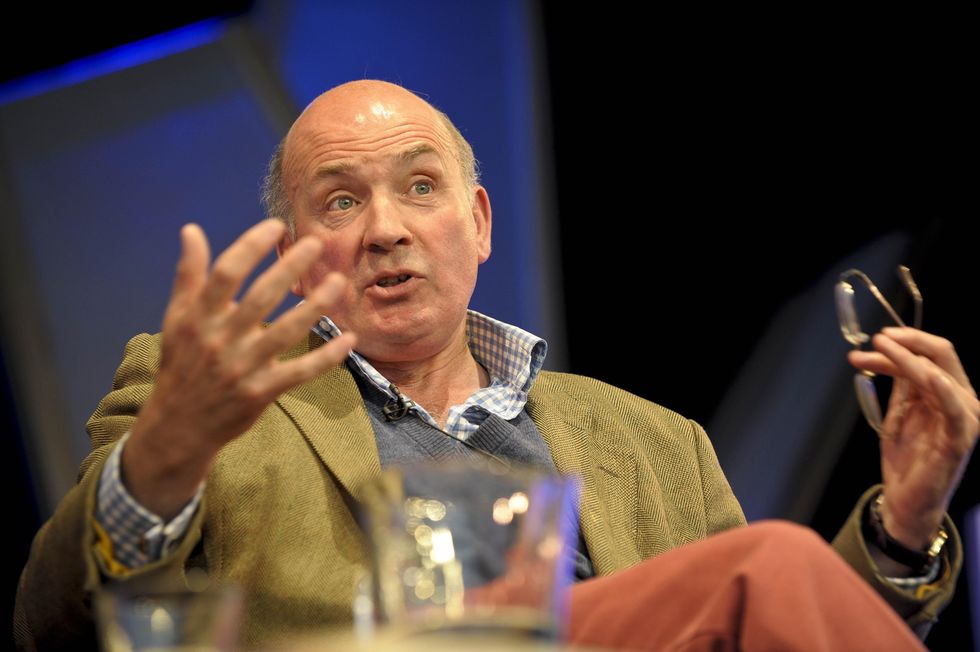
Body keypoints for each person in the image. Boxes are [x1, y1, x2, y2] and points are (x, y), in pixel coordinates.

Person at [15, 80, 977, 650]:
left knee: (771, 574)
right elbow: (52, 629)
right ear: (290, 249)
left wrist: (903, 528)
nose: (386, 228)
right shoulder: (208, 405)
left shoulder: (655, 442)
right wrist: (162, 466)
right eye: (341, 203)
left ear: (477, 224)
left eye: (419, 187)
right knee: (766, 562)